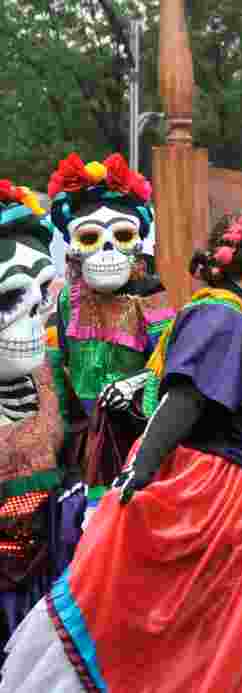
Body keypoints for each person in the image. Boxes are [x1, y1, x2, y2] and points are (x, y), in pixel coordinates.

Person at [1, 207, 242, 693]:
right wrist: (137, 474)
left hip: (239, 498)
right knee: (206, 629)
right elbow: (186, 398)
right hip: (220, 501)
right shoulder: (221, 316)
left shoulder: (230, 314)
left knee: (222, 627)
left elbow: (240, 409)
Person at [43, 153, 174, 508]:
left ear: (137, 242)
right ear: (73, 246)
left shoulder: (150, 295)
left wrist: (131, 386)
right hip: (86, 440)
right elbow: (57, 366)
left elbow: (170, 363)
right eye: (90, 237)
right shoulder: (67, 302)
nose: (108, 249)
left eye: (122, 235)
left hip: (134, 435)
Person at [0, 181, 85, 655]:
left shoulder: (53, 374)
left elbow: (74, 456)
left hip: (47, 584)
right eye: (10, 300)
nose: (32, 322)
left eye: (39, 300)